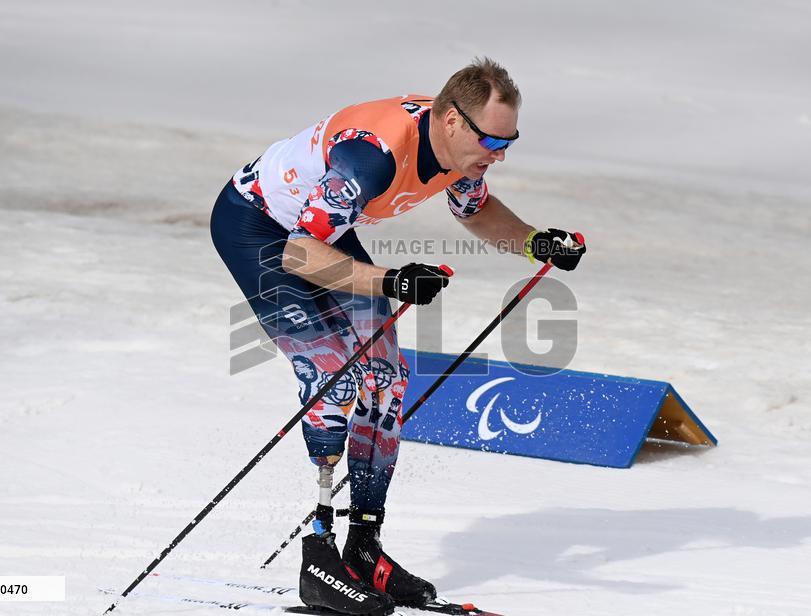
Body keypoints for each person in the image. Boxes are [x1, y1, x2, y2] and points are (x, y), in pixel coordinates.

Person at [210, 57, 585, 616]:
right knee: (333, 379)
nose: (499, 154)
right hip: (260, 229)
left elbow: (476, 214)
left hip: (321, 236)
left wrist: (536, 244)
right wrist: (391, 280)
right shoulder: (373, 157)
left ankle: (363, 546)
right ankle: (320, 554)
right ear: (453, 120)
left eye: (510, 142)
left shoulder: (463, 153)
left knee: (386, 380)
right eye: (491, 140)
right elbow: (297, 253)